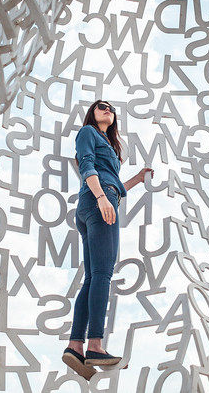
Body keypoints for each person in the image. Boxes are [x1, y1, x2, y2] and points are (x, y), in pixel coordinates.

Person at [62, 100, 153, 380]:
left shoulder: (108, 144)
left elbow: (112, 183)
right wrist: (102, 197)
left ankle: (75, 346)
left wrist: (136, 179)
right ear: (93, 112)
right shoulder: (88, 132)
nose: (107, 110)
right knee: (103, 275)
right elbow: (86, 165)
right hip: (97, 200)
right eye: (101, 106)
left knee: (92, 278)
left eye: (111, 108)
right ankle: (95, 345)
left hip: (96, 201)